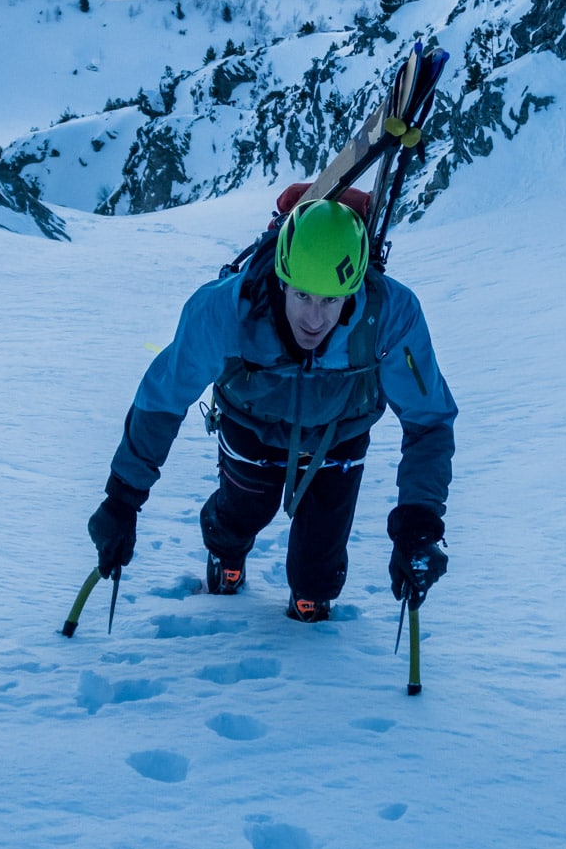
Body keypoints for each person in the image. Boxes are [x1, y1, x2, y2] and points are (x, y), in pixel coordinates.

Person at [86, 193, 458, 622]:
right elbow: (163, 399)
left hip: (341, 432)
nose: (315, 319)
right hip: (251, 423)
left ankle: (311, 594)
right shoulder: (224, 309)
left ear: (354, 288)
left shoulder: (391, 314)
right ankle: (226, 554)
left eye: (331, 300)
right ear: (281, 278)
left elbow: (428, 420)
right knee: (239, 515)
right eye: (302, 295)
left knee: (320, 560)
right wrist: (122, 499)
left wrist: (419, 521)